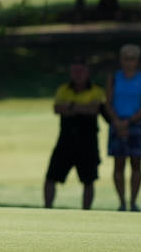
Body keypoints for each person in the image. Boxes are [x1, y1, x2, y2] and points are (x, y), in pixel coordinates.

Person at [44, 60, 105, 210]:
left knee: (88, 179)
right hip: (66, 140)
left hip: (88, 141)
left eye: (81, 71)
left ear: (87, 72)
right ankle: (47, 208)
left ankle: (86, 211)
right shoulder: (63, 89)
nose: (77, 75)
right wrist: (81, 107)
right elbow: (57, 108)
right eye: (74, 71)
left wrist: (70, 106)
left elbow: (94, 109)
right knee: (51, 176)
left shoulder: (96, 90)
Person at [105, 44, 141, 212]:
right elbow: (108, 103)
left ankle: (133, 202)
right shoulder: (114, 78)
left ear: (137, 60)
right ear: (121, 60)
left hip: (135, 124)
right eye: (126, 58)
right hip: (116, 122)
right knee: (118, 164)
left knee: (136, 163)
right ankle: (122, 202)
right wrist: (117, 121)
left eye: (132, 58)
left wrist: (129, 122)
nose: (129, 62)